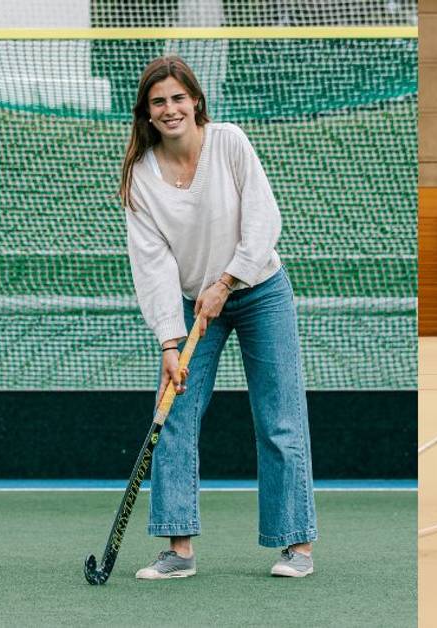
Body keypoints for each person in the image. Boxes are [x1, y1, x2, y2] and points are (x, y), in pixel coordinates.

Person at [118, 56, 317, 578]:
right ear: (147, 112)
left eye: (178, 98)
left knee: (279, 417)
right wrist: (168, 342)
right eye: (159, 101)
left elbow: (262, 219)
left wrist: (227, 282)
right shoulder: (140, 180)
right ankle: (178, 550)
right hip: (190, 306)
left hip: (259, 290)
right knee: (174, 415)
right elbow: (153, 267)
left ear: (196, 102)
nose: (170, 108)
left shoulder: (229, 141)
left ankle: (296, 544)